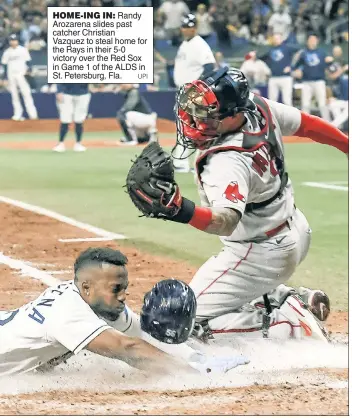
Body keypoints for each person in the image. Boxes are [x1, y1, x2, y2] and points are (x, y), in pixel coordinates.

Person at [126, 66, 347, 339]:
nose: (195, 120)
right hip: (293, 228)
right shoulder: (259, 107)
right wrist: (347, 145)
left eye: (208, 115)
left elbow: (225, 222)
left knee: (176, 323)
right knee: (229, 288)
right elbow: (308, 125)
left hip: (259, 252)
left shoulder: (226, 160)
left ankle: (289, 322)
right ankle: (291, 296)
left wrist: (179, 209)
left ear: (234, 114)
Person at [0, 247, 248, 377]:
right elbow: (127, 348)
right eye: (116, 289)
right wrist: (194, 374)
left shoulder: (99, 302)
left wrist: (198, 359)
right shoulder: (67, 311)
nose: (123, 296)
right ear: (86, 286)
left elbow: (141, 335)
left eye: (124, 288)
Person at [172, 13, 216, 173]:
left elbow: (210, 67)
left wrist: (198, 87)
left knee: (198, 128)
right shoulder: (185, 43)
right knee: (185, 127)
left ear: (195, 28)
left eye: (189, 27)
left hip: (193, 92)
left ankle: (201, 162)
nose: (185, 30)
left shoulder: (200, 44)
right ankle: (180, 162)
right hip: (183, 90)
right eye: (184, 27)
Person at [292, 34, 331, 121]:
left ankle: (328, 124)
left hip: (319, 81)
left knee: (322, 104)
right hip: (306, 81)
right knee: (305, 105)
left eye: (314, 40)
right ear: (307, 42)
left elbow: (328, 64)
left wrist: (329, 62)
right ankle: (305, 125)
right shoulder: (303, 53)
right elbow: (296, 65)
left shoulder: (322, 52)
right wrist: (296, 71)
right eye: (310, 40)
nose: (312, 41)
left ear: (317, 41)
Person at [1, 33, 38, 121]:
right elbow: (5, 65)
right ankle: (17, 114)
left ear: (17, 41)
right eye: (12, 40)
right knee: (14, 96)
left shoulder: (23, 50)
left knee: (26, 94)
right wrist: (4, 78)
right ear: (9, 41)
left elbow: (28, 62)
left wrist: (29, 70)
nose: (13, 42)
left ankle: (33, 115)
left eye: (15, 40)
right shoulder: (7, 52)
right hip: (11, 75)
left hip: (22, 74)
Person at [52, 83, 91, 153]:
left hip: (83, 93)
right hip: (66, 93)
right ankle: (61, 143)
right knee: (65, 119)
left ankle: (78, 143)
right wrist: (59, 91)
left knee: (79, 120)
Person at [263, 33, 296, 106]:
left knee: (287, 100)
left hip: (286, 77)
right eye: (274, 39)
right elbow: (261, 58)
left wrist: (291, 67)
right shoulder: (270, 50)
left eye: (278, 38)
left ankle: (290, 117)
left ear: (281, 39)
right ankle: (273, 117)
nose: (276, 40)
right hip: (273, 77)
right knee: (271, 102)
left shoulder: (287, 48)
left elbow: (300, 53)